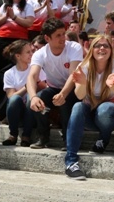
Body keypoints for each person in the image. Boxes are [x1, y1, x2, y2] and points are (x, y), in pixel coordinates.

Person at [63, 35, 114, 179]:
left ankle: (103, 138)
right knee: (77, 107)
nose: (102, 48)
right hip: (91, 113)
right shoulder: (83, 66)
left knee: (104, 109)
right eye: (98, 45)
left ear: (111, 50)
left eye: (106, 46)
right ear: (92, 49)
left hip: (110, 114)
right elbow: (79, 95)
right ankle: (71, 161)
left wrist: (113, 84)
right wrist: (84, 83)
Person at [26, 18, 83, 149]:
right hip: (53, 88)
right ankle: (43, 137)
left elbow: (73, 74)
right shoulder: (40, 53)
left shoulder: (74, 47)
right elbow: (32, 76)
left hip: (74, 88)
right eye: (58, 35)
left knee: (64, 100)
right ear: (47, 38)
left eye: (63, 33)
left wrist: (63, 94)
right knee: (34, 101)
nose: (63, 38)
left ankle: (68, 139)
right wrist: (34, 97)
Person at [2, 40, 43, 147]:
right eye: (28, 52)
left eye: (31, 51)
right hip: (17, 112)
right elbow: (11, 96)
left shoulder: (35, 69)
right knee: (15, 100)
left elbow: (45, 87)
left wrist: (37, 86)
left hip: (34, 111)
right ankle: (13, 135)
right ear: (18, 56)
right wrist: (27, 87)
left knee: (31, 97)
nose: (31, 54)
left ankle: (26, 136)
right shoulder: (9, 73)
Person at [0, 0, 35, 71]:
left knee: (15, 64)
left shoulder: (28, 7)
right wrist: (6, 16)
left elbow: (29, 23)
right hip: (2, 38)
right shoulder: (4, 6)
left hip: (19, 40)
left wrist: (14, 17)